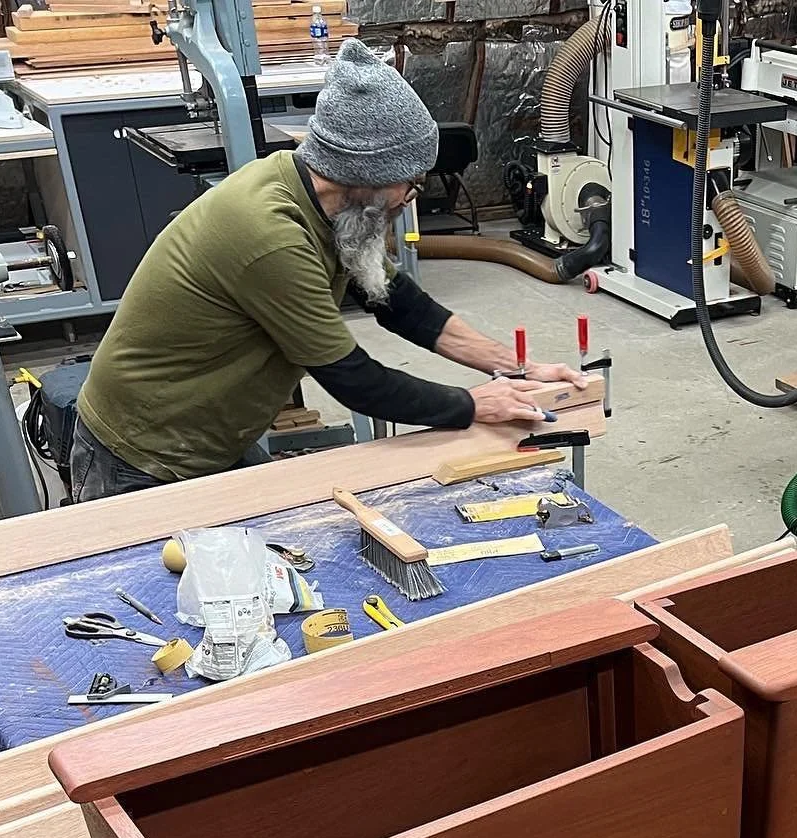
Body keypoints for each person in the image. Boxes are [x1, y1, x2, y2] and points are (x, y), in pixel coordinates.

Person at [70, 39, 583, 502]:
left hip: (208, 434)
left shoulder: (320, 198)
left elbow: (398, 302)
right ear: (368, 176)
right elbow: (354, 380)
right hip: (143, 452)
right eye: (409, 183)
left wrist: (514, 369)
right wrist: (474, 405)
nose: (410, 199)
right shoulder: (269, 236)